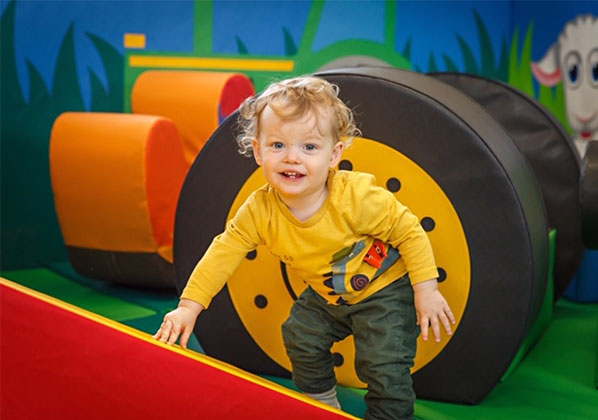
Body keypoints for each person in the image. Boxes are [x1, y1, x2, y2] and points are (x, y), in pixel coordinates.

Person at [154, 75, 456, 420]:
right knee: (300, 336)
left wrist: (426, 289)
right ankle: (323, 405)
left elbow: (409, 232)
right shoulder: (259, 210)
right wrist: (189, 307)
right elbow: (223, 252)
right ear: (257, 151)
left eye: (309, 147)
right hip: (329, 296)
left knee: (383, 364)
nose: (292, 158)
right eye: (278, 145)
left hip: (384, 291)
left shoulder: (356, 197)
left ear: (334, 154)